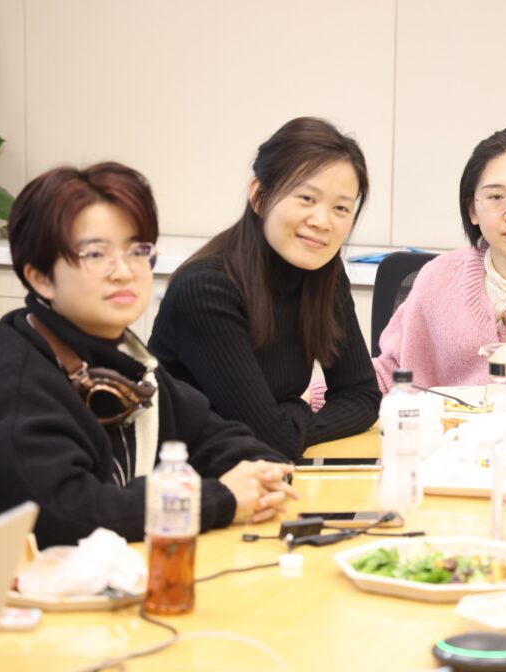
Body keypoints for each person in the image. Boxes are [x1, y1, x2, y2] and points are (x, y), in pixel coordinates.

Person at [0, 163, 297, 548]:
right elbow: (66, 515)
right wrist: (219, 498)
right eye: (96, 254)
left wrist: (260, 471)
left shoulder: (120, 354)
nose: (124, 271)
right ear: (40, 277)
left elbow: (207, 434)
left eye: (138, 250)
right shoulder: (12, 385)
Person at [313, 127, 506, 400]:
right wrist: (303, 394)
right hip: (441, 454)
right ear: (472, 210)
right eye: (495, 197)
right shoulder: (437, 277)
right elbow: (389, 375)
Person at [149, 118, 379, 461]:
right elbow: (267, 438)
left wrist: (289, 417)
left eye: (341, 208)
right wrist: (293, 411)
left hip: (266, 475)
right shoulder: (207, 288)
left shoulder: (324, 273)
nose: (323, 221)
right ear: (259, 196)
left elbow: (362, 395)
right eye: (306, 198)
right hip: (189, 488)